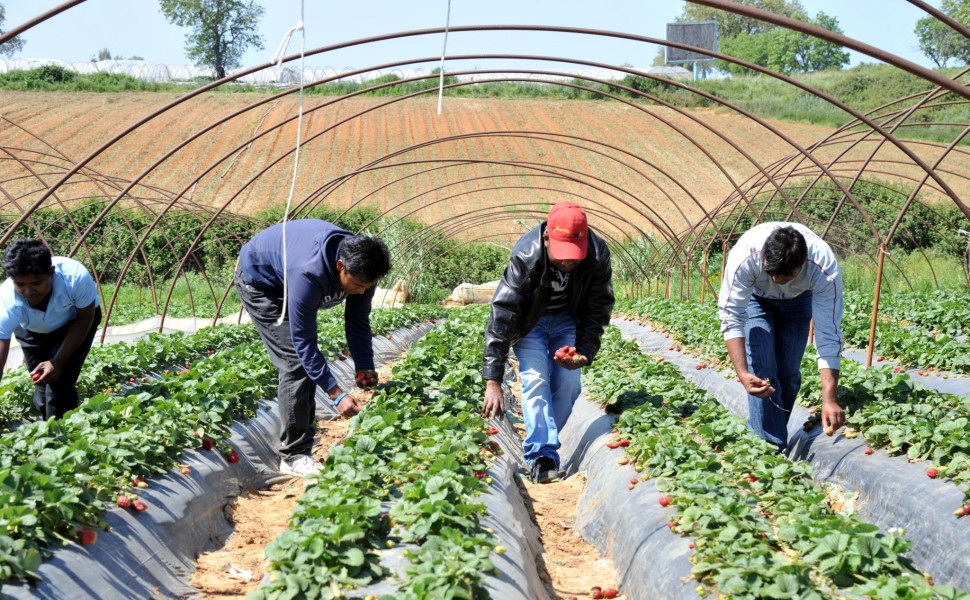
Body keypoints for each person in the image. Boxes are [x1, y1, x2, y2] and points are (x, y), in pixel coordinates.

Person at [235, 220, 391, 477]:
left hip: (289, 273)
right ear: (340, 266)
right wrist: (337, 394)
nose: (362, 291)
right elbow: (303, 343)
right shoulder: (308, 272)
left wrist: (365, 365)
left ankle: (303, 439)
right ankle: (294, 454)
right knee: (294, 361)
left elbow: (358, 321)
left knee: (304, 362)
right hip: (262, 283)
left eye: (368, 286)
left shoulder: (363, 266)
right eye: (358, 284)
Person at [482, 202, 614, 484]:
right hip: (531, 322)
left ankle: (543, 437)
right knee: (535, 379)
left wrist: (585, 352)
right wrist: (493, 379)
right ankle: (542, 456)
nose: (568, 262)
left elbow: (598, 306)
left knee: (568, 385)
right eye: (563, 255)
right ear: (546, 238)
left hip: (568, 319)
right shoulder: (526, 256)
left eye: (574, 256)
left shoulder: (598, 254)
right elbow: (502, 313)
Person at [717, 222, 846, 452]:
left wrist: (830, 399)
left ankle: (772, 437)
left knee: (788, 374)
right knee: (763, 369)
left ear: (802, 264)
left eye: (785, 275)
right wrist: (743, 373)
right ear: (764, 258)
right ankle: (768, 448)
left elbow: (828, 334)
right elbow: (731, 315)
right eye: (772, 272)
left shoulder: (823, 268)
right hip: (756, 301)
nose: (776, 280)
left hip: (799, 301)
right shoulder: (746, 256)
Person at [0, 239, 102, 420]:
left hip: (74, 323)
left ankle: (63, 434)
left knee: (59, 384)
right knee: (40, 378)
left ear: (51, 273)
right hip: (31, 329)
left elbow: (85, 317)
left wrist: (58, 361)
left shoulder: (75, 278)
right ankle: (46, 429)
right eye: (20, 285)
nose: (28, 291)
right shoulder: (6, 299)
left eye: (36, 283)